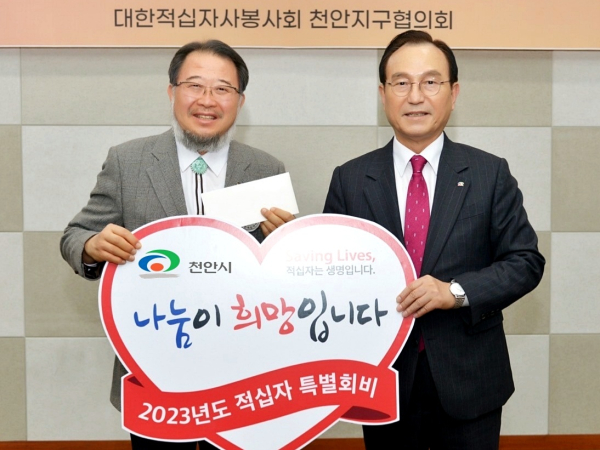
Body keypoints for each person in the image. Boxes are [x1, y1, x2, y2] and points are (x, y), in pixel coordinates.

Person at [60, 40, 294, 449]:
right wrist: (94, 244)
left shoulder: (265, 169)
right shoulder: (128, 161)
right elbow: (74, 236)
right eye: (195, 86)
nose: (207, 100)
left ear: (240, 101)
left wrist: (285, 245)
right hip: (154, 370)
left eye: (222, 89)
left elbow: (282, 274)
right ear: (172, 91)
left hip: (242, 370)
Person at [323, 30, 545, 450]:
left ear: (453, 93)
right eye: (401, 82)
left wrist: (454, 292)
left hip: (470, 380)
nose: (415, 96)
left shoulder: (489, 173)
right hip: (384, 379)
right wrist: (290, 247)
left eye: (430, 82)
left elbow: (525, 262)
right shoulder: (350, 179)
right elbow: (331, 276)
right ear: (383, 93)